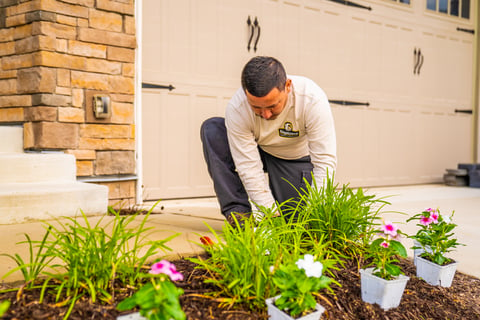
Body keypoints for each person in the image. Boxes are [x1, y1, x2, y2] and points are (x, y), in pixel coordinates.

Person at [200, 56, 336, 225]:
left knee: (297, 224)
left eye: (272, 106)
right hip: (260, 149)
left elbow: (324, 161)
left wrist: (316, 210)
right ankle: (239, 214)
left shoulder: (311, 99)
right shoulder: (237, 107)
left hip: (293, 159)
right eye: (256, 107)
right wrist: (268, 214)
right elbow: (248, 166)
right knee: (212, 130)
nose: (265, 115)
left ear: (287, 87)